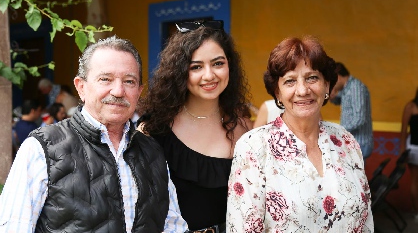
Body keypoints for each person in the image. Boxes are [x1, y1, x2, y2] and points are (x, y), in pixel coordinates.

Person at [0, 36, 188, 233]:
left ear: (139, 91)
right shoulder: (42, 148)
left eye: (129, 81)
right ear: (81, 87)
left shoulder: (152, 151)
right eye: (105, 79)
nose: (118, 91)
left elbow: (172, 227)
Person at [226, 37, 373, 232]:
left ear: (327, 86)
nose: (303, 90)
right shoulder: (254, 148)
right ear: (277, 92)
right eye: (290, 81)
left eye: (312, 77)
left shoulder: (346, 141)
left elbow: (365, 221)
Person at [139, 20, 251, 232]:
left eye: (218, 63)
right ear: (179, 71)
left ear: (230, 66)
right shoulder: (154, 129)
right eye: (196, 67)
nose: (209, 75)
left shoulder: (243, 129)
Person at [329, 62, 374, 159]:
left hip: (359, 142)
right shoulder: (347, 88)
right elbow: (339, 100)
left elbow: (359, 119)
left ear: (338, 76)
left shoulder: (355, 87)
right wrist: (332, 97)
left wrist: (339, 130)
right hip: (353, 143)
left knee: (355, 174)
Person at [400, 87, 418, 219]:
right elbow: (404, 130)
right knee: (415, 181)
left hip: (413, 146)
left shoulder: (410, 107)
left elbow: (403, 130)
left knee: (415, 181)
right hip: (414, 148)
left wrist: (402, 148)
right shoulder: (411, 106)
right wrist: (402, 150)